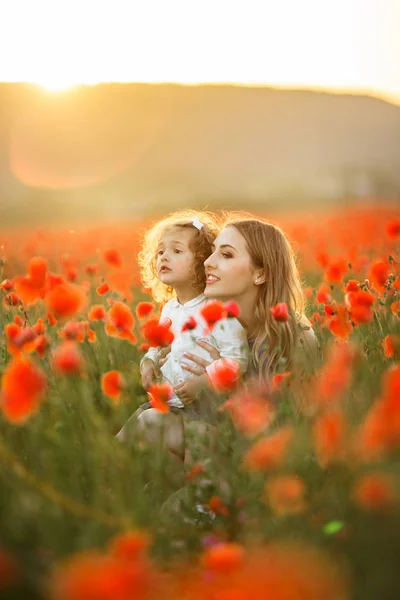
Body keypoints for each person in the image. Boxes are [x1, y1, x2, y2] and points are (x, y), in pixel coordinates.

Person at [116, 210, 249, 460]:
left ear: (202, 262)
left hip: (204, 410)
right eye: (161, 252)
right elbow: (157, 347)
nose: (164, 257)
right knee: (123, 444)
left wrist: (203, 382)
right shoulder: (170, 309)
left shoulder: (215, 310)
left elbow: (237, 358)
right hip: (168, 405)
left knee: (197, 469)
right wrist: (148, 363)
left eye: (177, 251)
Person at [178, 214, 320, 407]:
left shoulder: (296, 339)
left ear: (260, 274)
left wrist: (229, 384)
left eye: (226, 255)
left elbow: (303, 424)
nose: (208, 262)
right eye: (213, 252)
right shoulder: (205, 328)